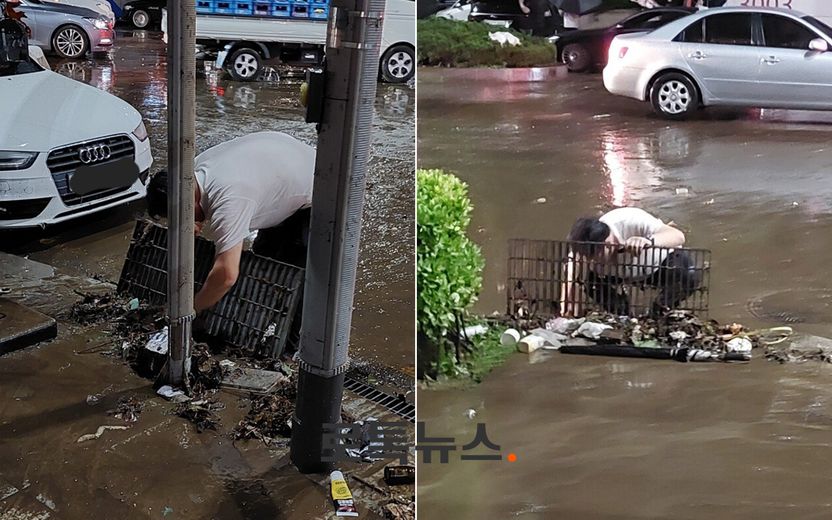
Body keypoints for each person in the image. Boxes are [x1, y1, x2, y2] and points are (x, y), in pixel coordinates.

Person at [145, 131, 314, 317]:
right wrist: (191, 220)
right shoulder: (193, 171)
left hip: (319, 192)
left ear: (186, 205)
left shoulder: (229, 201)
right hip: (282, 164)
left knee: (299, 286)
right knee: (265, 264)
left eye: (177, 219)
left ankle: (295, 342)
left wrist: (190, 310)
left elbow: (227, 275)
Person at [561, 207, 700, 317]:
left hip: (656, 265)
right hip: (618, 275)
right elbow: (572, 265)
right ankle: (623, 316)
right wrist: (567, 298)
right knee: (592, 285)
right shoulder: (585, 245)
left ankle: (658, 312)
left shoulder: (630, 220)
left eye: (595, 255)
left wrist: (648, 241)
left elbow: (678, 236)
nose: (592, 260)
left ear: (608, 243)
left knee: (689, 275)